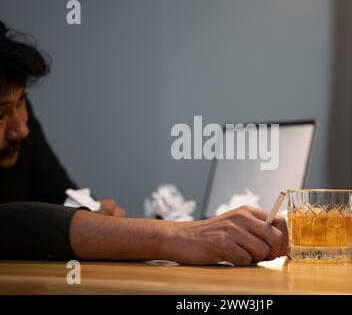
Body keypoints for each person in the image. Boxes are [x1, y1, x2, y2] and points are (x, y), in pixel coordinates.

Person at [0, 21, 288, 265]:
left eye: (22, 100)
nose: (21, 129)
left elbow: (61, 199)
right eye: (1, 113)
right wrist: (182, 236)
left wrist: (97, 218)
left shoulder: (21, 128)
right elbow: (14, 225)